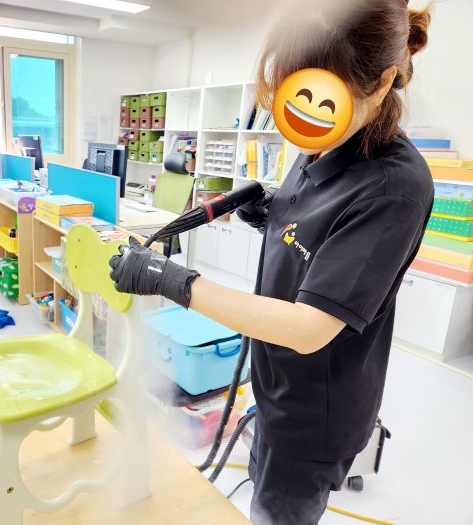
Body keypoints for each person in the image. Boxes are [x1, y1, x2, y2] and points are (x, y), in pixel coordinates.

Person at [109, 2, 433, 524]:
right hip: (274, 383)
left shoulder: (393, 187)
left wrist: (173, 281)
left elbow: (308, 328)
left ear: (382, 82)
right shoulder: (325, 139)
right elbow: (319, 229)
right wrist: (280, 216)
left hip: (313, 417)